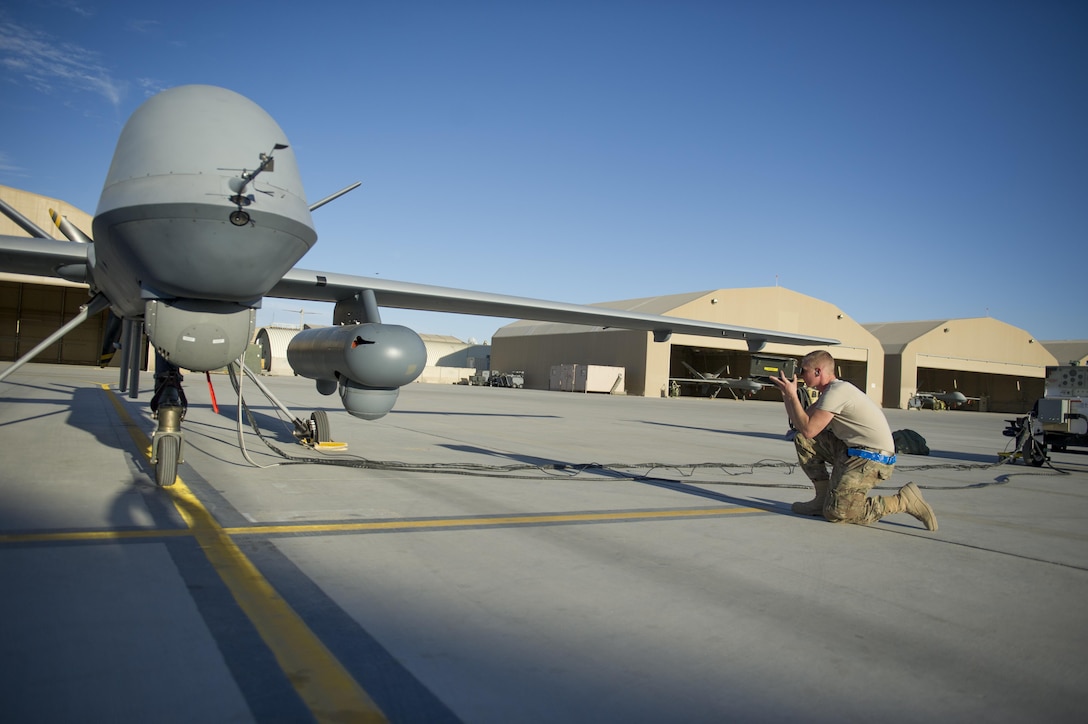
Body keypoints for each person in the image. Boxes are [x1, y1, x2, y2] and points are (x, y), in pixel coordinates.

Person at [767, 350, 937, 531]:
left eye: (804, 370)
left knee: (837, 513)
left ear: (818, 371)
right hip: (854, 452)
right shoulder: (832, 391)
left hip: (872, 459)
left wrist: (793, 395)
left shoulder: (837, 392)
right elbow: (800, 425)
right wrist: (787, 395)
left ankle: (902, 501)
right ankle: (822, 499)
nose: (800, 375)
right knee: (803, 440)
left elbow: (810, 429)